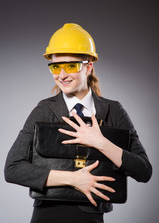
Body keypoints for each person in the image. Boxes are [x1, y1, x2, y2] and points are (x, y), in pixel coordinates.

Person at [4, 23, 152, 223]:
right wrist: (73, 179)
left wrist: (100, 142)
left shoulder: (113, 111)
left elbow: (144, 171)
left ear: (88, 66)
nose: (61, 75)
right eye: (56, 66)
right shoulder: (44, 110)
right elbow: (12, 169)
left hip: (91, 217)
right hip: (47, 215)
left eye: (71, 66)